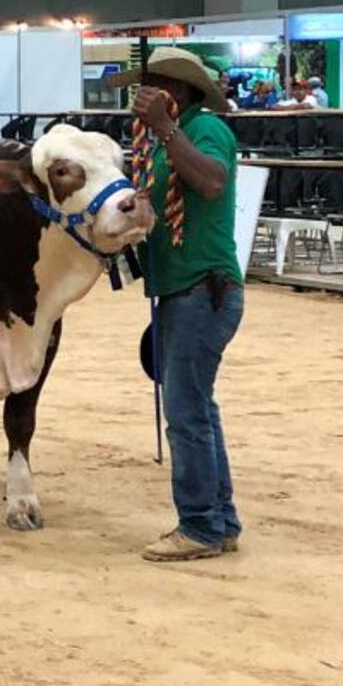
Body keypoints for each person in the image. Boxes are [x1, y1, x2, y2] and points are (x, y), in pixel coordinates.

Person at [107, 47, 245, 562]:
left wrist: (166, 128)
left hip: (202, 289)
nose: (140, 95)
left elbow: (211, 181)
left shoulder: (203, 130)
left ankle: (200, 525)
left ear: (179, 92)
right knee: (197, 408)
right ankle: (219, 520)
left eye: (153, 85)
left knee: (186, 413)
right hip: (184, 289)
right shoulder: (161, 144)